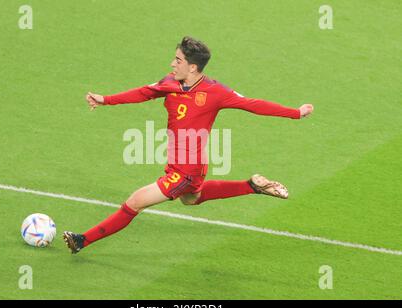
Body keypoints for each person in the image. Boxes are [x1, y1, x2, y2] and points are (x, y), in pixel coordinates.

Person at [63, 36, 314, 254]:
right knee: (191, 200)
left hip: (187, 169)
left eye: (178, 60)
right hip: (180, 164)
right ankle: (251, 186)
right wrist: (105, 99)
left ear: (193, 67)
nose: (172, 64)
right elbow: (144, 92)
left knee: (135, 202)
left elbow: (253, 104)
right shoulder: (170, 82)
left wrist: (295, 112)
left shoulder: (216, 92)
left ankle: (82, 240)